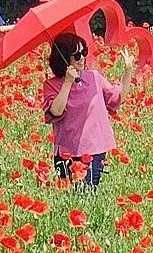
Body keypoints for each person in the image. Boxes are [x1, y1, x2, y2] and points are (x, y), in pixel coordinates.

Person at [42, 33, 136, 190]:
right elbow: (56, 111)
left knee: (87, 195)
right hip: (67, 152)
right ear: (64, 57)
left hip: (94, 149)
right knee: (70, 202)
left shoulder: (94, 77)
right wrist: (67, 82)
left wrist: (128, 71)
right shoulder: (52, 85)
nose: (82, 58)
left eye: (84, 52)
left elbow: (117, 98)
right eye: (77, 54)